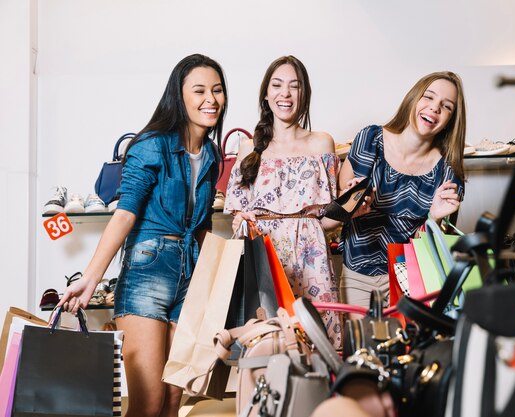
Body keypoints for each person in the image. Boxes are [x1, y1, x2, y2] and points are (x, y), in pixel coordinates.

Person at [58, 54, 228, 417]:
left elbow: (203, 225)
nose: (210, 99)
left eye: (216, 90)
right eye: (199, 90)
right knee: (148, 404)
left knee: (172, 402)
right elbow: (124, 215)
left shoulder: (213, 155)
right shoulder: (151, 144)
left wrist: (210, 280)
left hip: (191, 278)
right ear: (179, 97)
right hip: (147, 276)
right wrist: (91, 278)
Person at [224, 55, 343, 347]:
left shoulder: (322, 143)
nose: (285, 94)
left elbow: (328, 220)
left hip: (311, 260)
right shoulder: (249, 148)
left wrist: (353, 206)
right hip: (266, 257)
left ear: (305, 94)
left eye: (294, 86)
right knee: (268, 343)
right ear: (266, 94)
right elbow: (237, 218)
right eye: (277, 85)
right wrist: (241, 220)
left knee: (317, 343)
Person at [337, 71, 467, 309]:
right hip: (358, 273)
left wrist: (433, 218)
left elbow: (435, 243)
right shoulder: (370, 139)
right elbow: (336, 211)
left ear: (451, 119)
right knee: (360, 345)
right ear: (414, 98)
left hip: (411, 277)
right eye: (428, 97)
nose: (434, 108)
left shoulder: (448, 169)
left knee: (408, 347)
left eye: (446, 106)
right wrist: (351, 204)